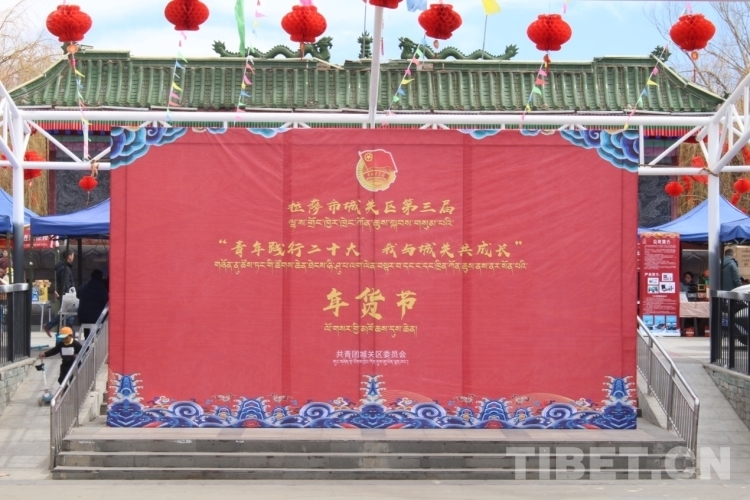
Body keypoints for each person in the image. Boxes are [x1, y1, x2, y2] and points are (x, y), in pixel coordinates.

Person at [44, 250, 76, 337]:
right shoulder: (65, 269)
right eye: (73, 255)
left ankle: (68, 332)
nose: (73, 257)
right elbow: (65, 283)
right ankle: (69, 333)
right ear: (69, 256)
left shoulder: (63, 267)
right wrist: (68, 294)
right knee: (69, 314)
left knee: (66, 314)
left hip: (64, 294)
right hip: (67, 294)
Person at [77, 269, 108, 339]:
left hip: (82, 317)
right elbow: (105, 301)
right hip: (97, 318)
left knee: (87, 318)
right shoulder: (102, 289)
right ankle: (97, 337)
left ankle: (86, 337)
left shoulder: (84, 286)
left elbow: (78, 295)